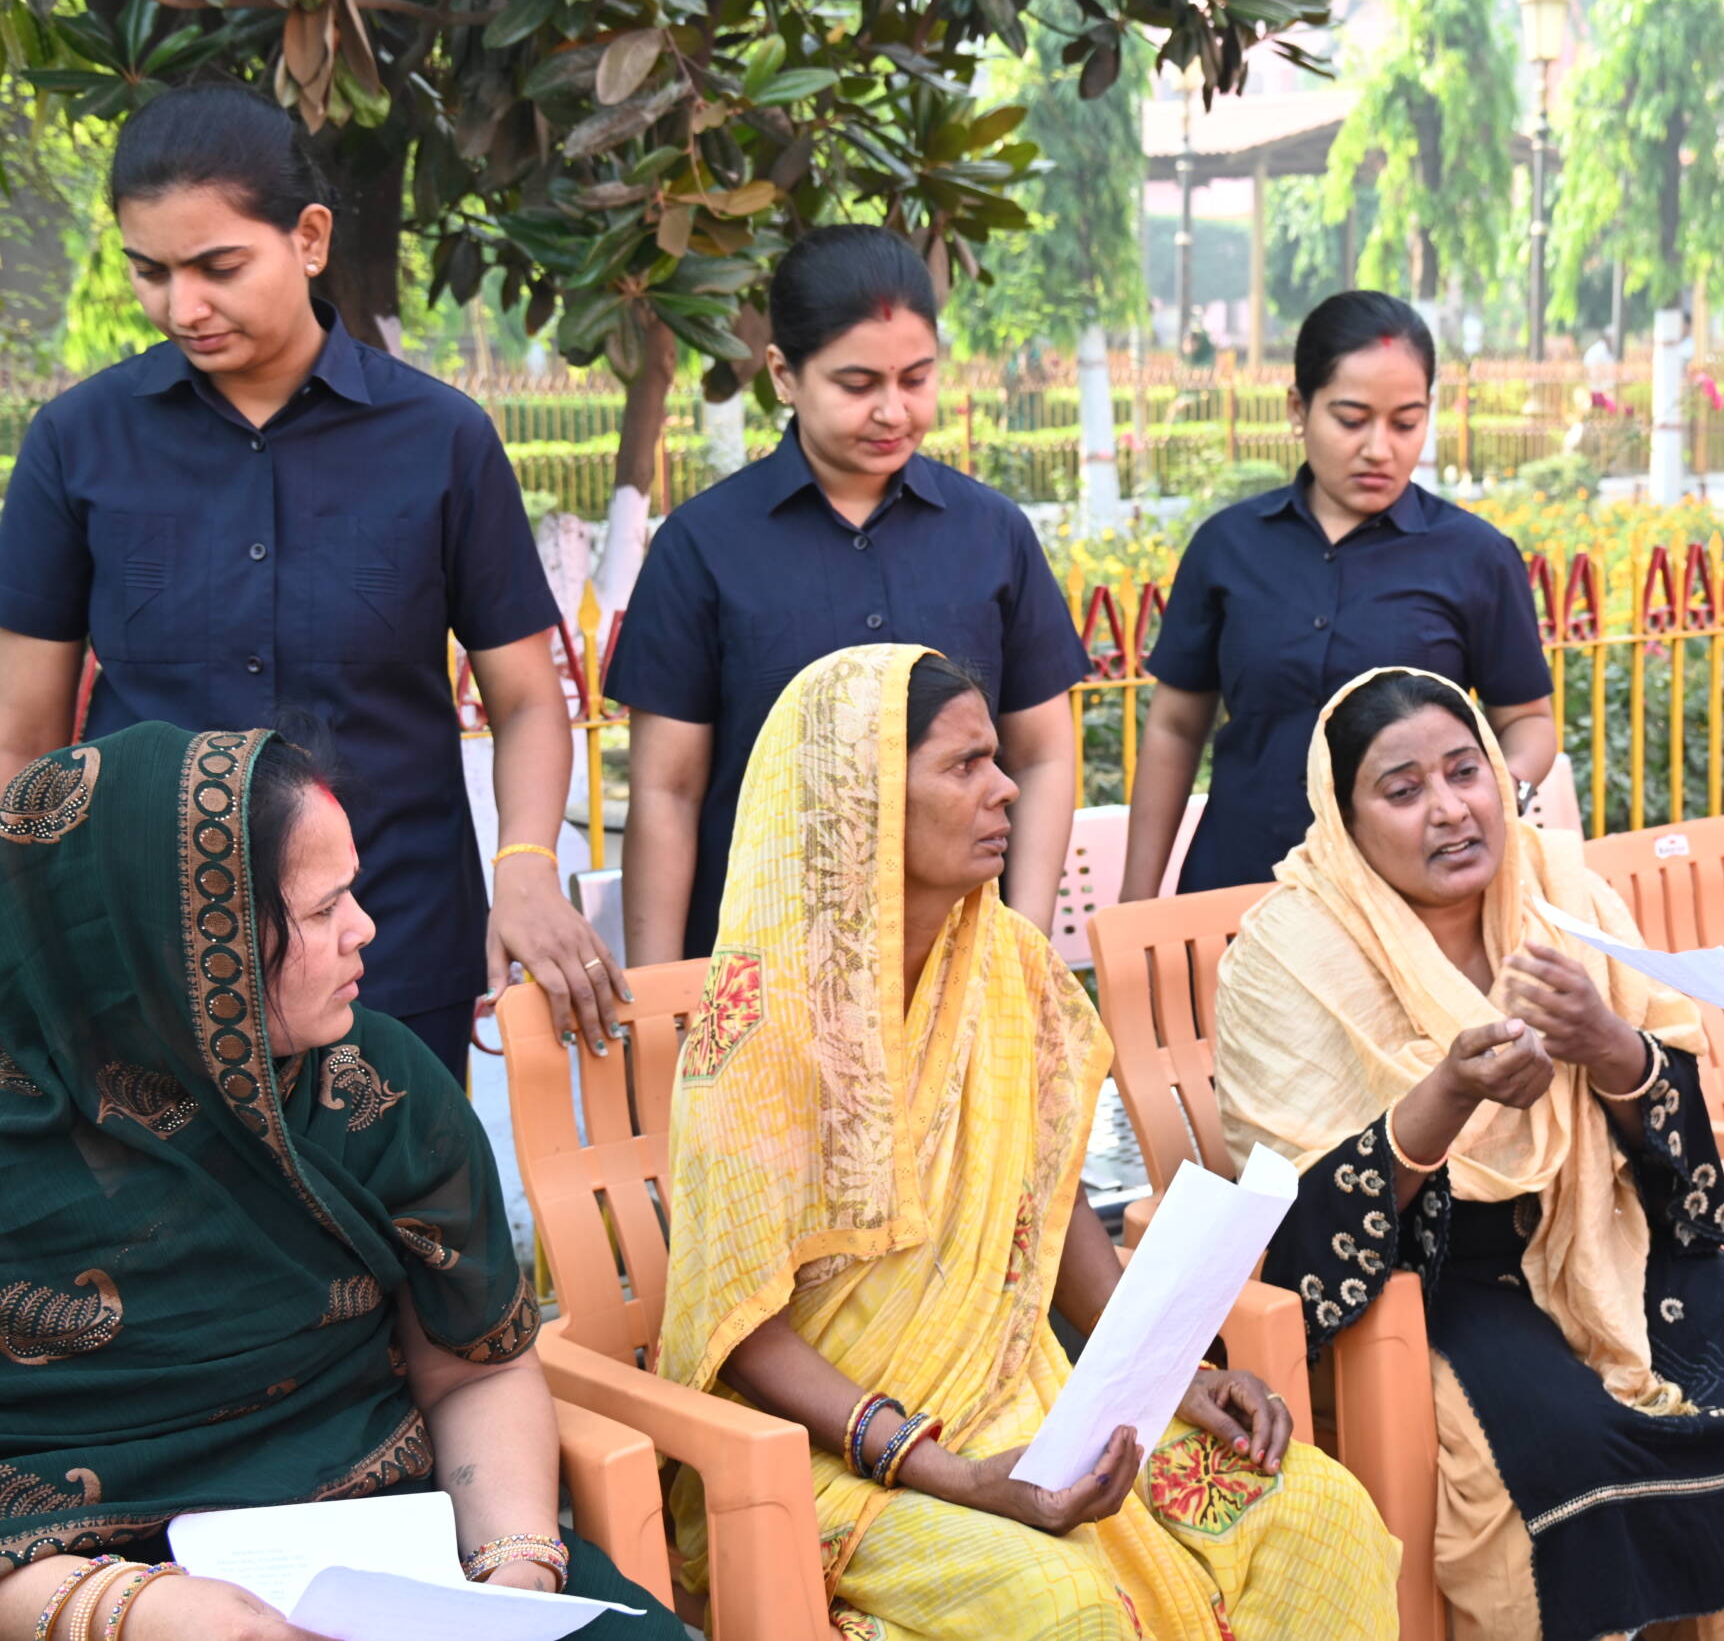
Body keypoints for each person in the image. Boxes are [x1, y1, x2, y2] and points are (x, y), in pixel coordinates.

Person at [653, 645, 1399, 1638]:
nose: (1006, 788)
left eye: (997, 759)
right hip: (828, 1457)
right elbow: (741, 1326)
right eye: (964, 764)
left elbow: (1043, 1204)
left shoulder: (1008, 964)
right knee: (1060, 1603)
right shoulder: (762, 1020)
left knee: (1319, 1516)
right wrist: (948, 1471)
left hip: (1023, 1401)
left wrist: (1172, 1376)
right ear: (863, 793)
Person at [1214, 668, 1724, 1641]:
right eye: (1403, 790)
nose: (1450, 809)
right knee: (1564, 1456)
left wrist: (1607, 1044)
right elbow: (1295, 1225)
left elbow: (1680, 1156)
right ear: (1346, 821)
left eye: (1465, 771)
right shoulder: (1287, 953)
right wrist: (1448, 1094)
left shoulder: (1562, 893)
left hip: (1606, 1234)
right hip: (1437, 1284)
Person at [0, 724, 682, 1639]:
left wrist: (511, 1570)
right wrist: (131, 1611)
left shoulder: (375, 1088)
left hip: (386, 1560)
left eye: (352, 892)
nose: (365, 927)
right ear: (181, 946)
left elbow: (475, 1370)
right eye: (321, 911)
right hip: (81, 1585)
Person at [0, 84, 619, 1082]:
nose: (182, 307)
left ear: (311, 238)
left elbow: (525, 700)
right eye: (150, 272)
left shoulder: (442, 440)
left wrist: (528, 867)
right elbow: (21, 740)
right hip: (142, 950)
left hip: (390, 940)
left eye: (219, 267)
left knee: (394, 1186)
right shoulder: (79, 442)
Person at [609, 225, 1087, 967]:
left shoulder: (992, 533)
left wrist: (1021, 948)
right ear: (783, 374)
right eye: (858, 385)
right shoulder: (701, 547)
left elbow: (1044, 755)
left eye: (916, 379)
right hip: (765, 975)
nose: (893, 411)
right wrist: (663, 995)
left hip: (958, 971)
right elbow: (667, 793)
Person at [1122, 292, 1555, 899]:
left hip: (1409, 904)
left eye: (1405, 423)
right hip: (1242, 890)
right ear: (1298, 408)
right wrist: (1137, 903)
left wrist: (1489, 797)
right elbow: (1173, 728)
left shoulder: (1475, 556)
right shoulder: (1228, 547)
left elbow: (1528, 721)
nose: (1380, 448)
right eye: (1352, 420)